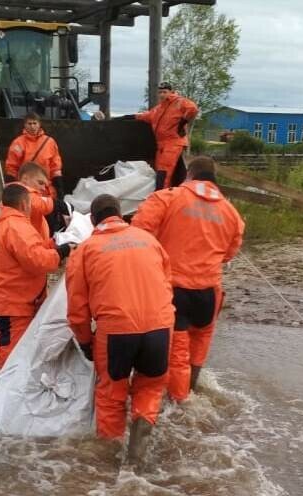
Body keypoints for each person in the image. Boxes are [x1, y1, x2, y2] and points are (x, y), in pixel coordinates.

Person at [66, 194, 174, 463]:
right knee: (149, 388)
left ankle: (108, 461)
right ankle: (139, 447)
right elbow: (167, 284)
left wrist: (85, 342)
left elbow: (77, 309)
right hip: (160, 327)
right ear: (121, 214)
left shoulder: (86, 250)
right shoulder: (150, 241)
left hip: (116, 331)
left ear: (92, 220)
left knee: (111, 395)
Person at [132, 156, 244, 402]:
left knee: (177, 352)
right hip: (209, 292)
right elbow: (229, 253)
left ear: (189, 175)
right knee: (199, 347)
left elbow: (139, 233)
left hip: (175, 289)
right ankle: (192, 394)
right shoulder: (231, 212)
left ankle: (180, 407)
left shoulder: (167, 198)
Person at [0, 183, 74, 411]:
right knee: (13, 352)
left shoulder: (5, 224)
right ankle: (1, 403)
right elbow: (37, 261)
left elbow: (32, 250)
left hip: (3, 298)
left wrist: (53, 245)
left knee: (4, 343)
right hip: (14, 302)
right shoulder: (16, 227)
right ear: (24, 203)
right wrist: (61, 253)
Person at [133, 82, 198, 190]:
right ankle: (169, 195)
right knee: (163, 172)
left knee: (163, 173)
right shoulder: (159, 109)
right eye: (160, 92)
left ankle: (162, 197)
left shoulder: (179, 101)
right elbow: (145, 116)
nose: (162, 94)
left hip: (173, 143)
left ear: (171, 92)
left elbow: (193, 109)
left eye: (165, 92)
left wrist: (182, 123)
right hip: (162, 145)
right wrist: (128, 116)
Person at [4, 112, 64, 199]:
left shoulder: (50, 142)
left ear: (39, 124)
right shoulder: (18, 143)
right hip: (26, 189)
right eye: (29, 123)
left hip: (46, 188)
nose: (32, 126)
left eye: (35, 123)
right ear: (25, 125)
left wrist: (59, 188)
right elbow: (12, 167)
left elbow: (55, 167)